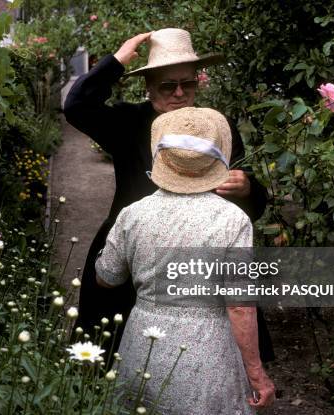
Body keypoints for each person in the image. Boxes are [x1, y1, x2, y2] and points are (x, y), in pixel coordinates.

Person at [64, 28, 274, 362]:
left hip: (199, 258)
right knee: (117, 351)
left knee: (196, 356)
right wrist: (117, 60)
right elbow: (76, 107)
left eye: (187, 84)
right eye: (167, 85)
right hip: (133, 253)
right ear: (148, 87)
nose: (179, 93)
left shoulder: (218, 126)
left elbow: (249, 206)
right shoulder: (128, 123)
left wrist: (247, 188)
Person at [95, 107, 275, 414]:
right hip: (208, 352)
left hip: (143, 345)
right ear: (217, 158)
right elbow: (239, 304)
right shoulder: (232, 219)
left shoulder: (133, 214)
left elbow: (107, 277)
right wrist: (257, 374)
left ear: (162, 157)